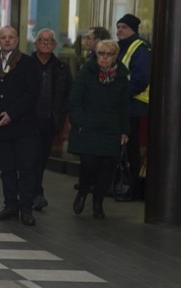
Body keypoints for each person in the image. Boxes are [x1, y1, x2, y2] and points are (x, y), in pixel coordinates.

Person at [0, 26, 42, 226]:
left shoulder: (29, 64)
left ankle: (26, 209)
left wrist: (12, 114)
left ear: (17, 40)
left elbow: (32, 94)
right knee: (7, 169)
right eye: (3, 37)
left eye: (11, 37)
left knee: (25, 168)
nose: (7, 41)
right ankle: (10, 205)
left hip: (23, 125)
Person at [68, 39, 130, 219]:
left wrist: (125, 130)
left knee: (106, 168)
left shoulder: (121, 77)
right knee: (89, 164)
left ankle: (98, 203)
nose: (104, 58)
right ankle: (82, 192)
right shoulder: (85, 73)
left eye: (108, 55)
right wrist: (81, 123)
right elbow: (74, 101)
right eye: (101, 54)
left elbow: (125, 106)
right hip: (89, 127)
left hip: (111, 129)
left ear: (115, 57)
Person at [31, 28, 72, 210]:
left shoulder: (62, 68)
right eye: (42, 40)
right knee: (28, 159)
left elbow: (68, 96)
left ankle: (36, 192)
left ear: (54, 45)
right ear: (36, 43)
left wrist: (64, 121)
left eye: (49, 41)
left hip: (49, 121)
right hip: (27, 120)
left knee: (40, 159)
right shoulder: (25, 64)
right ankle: (31, 192)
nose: (46, 43)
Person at [114, 13, 151, 200]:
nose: (120, 30)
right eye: (118, 27)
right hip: (125, 106)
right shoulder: (121, 48)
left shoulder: (140, 48)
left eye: (124, 27)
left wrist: (118, 95)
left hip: (136, 107)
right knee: (123, 149)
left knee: (131, 151)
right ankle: (121, 184)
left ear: (133, 30)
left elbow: (140, 79)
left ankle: (131, 187)